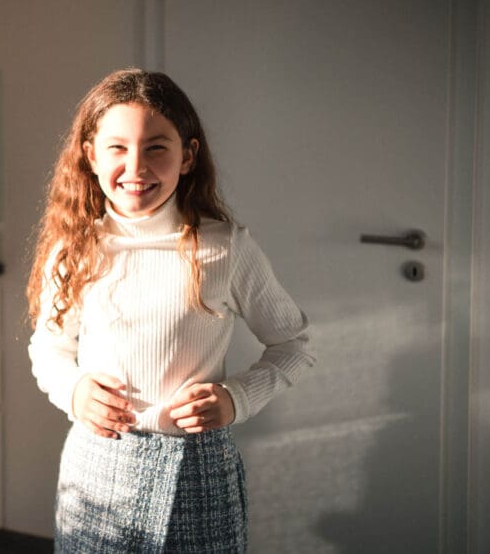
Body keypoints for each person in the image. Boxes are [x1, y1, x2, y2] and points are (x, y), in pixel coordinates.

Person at [27, 68, 315, 553]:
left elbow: (293, 345)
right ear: (91, 156)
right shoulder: (74, 248)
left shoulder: (225, 249)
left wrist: (237, 398)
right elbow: (48, 348)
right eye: (117, 147)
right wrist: (74, 391)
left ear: (188, 156)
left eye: (156, 147)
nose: (136, 167)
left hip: (199, 474)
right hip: (97, 471)